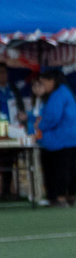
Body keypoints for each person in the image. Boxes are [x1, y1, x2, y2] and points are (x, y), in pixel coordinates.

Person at [32, 68, 76, 208]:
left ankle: (60, 198)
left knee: (61, 169)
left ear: (52, 81)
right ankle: (71, 197)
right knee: (70, 168)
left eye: (43, 83)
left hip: (63, 139)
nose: (43, 86)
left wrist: (40, 126)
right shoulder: (66, 91)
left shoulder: (57, 95)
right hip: (75, 138)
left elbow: (52, 117)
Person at [0, 64, 29, 201]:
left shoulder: (13, 89)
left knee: (9, 163)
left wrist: (22, 121)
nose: (2, 75)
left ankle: (7, 191)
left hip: (12, 132)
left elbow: (20, 108)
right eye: (0, 73)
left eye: (4, 72)